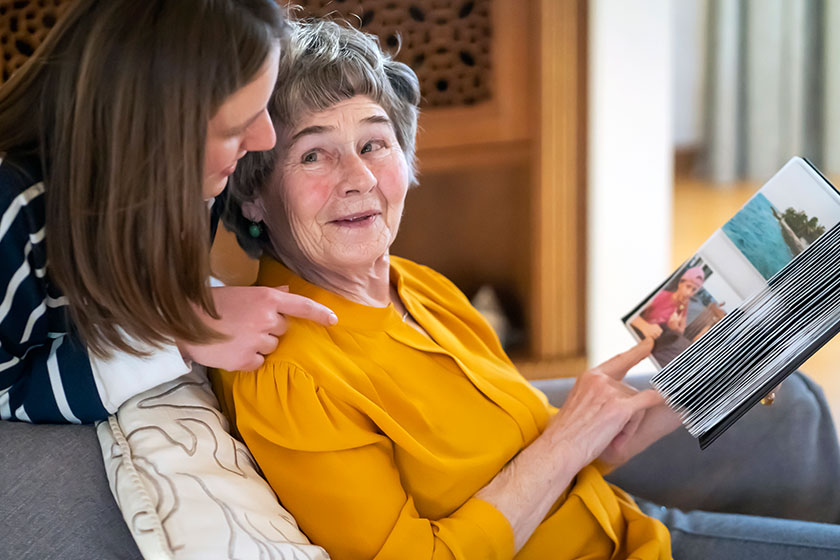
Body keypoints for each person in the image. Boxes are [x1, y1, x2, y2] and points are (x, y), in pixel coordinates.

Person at [212, 19, 840, 560]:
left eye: (374, 144)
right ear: (255, 195)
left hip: (630, 528)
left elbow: (523, 454)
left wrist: (695, 385)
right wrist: (570, 437)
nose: (357, 178)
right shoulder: (290, 373)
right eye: (313, 156)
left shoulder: (416, 286)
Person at [0, 0, 337, 423]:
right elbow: (6, 389)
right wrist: (181, 336)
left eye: (264, 107)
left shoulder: (189, 181)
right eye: (236, 128)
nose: (266, 139)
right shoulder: (14, 213)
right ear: (149, 132)